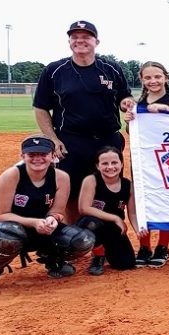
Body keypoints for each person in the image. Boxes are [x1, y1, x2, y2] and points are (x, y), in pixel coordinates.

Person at [33, 20, 134, 224]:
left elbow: (124, 97)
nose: (80, 40)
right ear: (69, 41)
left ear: (96, 41)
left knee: (109, 189)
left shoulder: (111, 69)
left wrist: (126, 105)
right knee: (69, 192)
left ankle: (106, 243)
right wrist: (52, 139)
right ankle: (74, 240)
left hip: (108, 141)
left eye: (86, 37)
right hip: (71, 141)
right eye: (75, 37)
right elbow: (40, 107)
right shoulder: (54, 70)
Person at [0, 135, 95, 293]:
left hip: (43, 229)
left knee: (83, 240)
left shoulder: (61, 178)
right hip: (13, 227)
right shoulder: (11, 176)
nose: (38, 159)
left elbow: (57, 210)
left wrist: (52, 220)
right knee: (7, 235)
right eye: (32, 155)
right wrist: (35, 223)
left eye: (43, 154)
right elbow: (1, 215)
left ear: (53, 156)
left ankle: (53, 259)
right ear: (22, 156)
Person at [123, 61, 169, 268]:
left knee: (166, 201)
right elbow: (132, 134)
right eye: (147, 78)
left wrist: (166, 111)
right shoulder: (136, 104)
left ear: (166, 77)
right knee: (142, 202)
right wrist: (130, 121)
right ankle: (144, 246)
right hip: (142, 161)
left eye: (157, 76)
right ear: (142, 80)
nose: (153, 81)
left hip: (168, 160)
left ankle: (162, 247)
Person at [77, 146, 146, 276]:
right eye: (104, 163)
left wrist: (138, 229)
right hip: (93, 222)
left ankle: (107, 250)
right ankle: (98, 255)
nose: (110, 167)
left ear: (121, 163)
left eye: (114, 162)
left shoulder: (127, 185)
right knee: (91, 223)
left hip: (113, 228)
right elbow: (84, 208)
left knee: (126, 264)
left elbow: (132, 213)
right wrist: (115, 218)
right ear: (98, 166)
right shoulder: (91, 180)